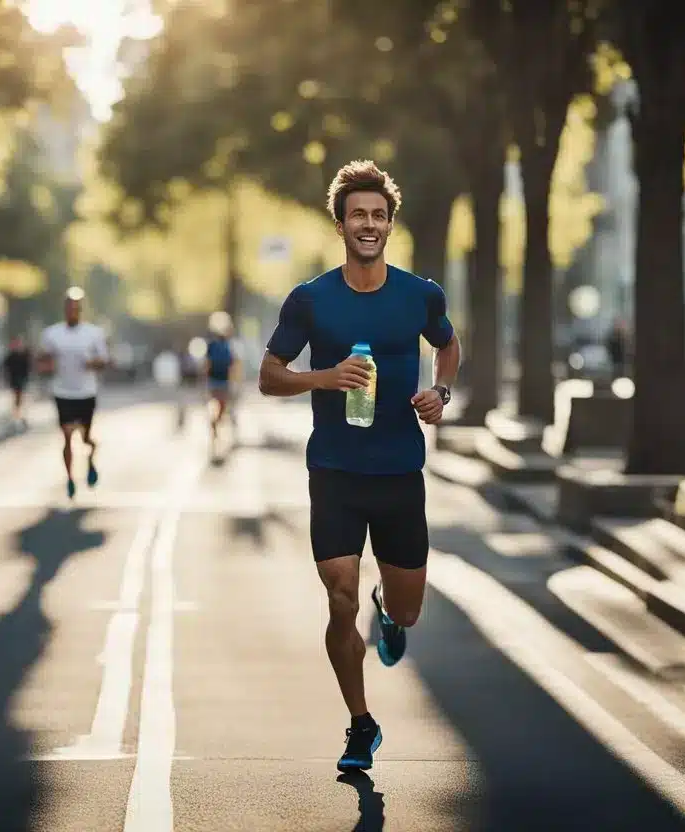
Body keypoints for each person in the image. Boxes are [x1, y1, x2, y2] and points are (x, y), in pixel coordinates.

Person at [257, 160, 462, 773]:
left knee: (404, 612)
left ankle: (389, 611)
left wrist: (440, 393)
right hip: (336, 474)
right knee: (338, 597)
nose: (367, 225)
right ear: (341, 224)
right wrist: (325, 377)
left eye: (378, 215)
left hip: (400, 473)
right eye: (357, 216)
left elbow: (447, 346)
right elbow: (269, 374)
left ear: (389, 224)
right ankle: (360, 724)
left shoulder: (420, 295)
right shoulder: (311, 300)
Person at [37, 287, 110, 498]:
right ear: (64, 310)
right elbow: (42, 360)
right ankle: (69, 478)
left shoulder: (93, 333)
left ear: (81, 310)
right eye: (69, 308)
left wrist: (91, 363)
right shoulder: (52, 334)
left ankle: (90, 459)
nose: (72, 311)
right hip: (63, 392)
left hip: (86, 392)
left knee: (86, 438)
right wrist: (46, 365)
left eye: (76, 308)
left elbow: (104, 360)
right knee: (67, 436)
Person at [203, 311, 242, 449]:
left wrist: (205, 382)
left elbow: (206, 365)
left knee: (216, 407)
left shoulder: (211, 345)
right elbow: (234, 366)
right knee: (224, 409)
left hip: (213, 381)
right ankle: (222, 434)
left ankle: (215, 432)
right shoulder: (230, 346)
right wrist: (235, 382)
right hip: (225, 382)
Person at [3, 336, 31, 426]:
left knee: (20, 398)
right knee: (17, 398)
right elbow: (6, 368)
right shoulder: (10, 356)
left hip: (22, 379)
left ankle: (20, 415)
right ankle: (18, 415)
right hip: (15, 380)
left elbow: (28, 367)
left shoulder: (24, 355)